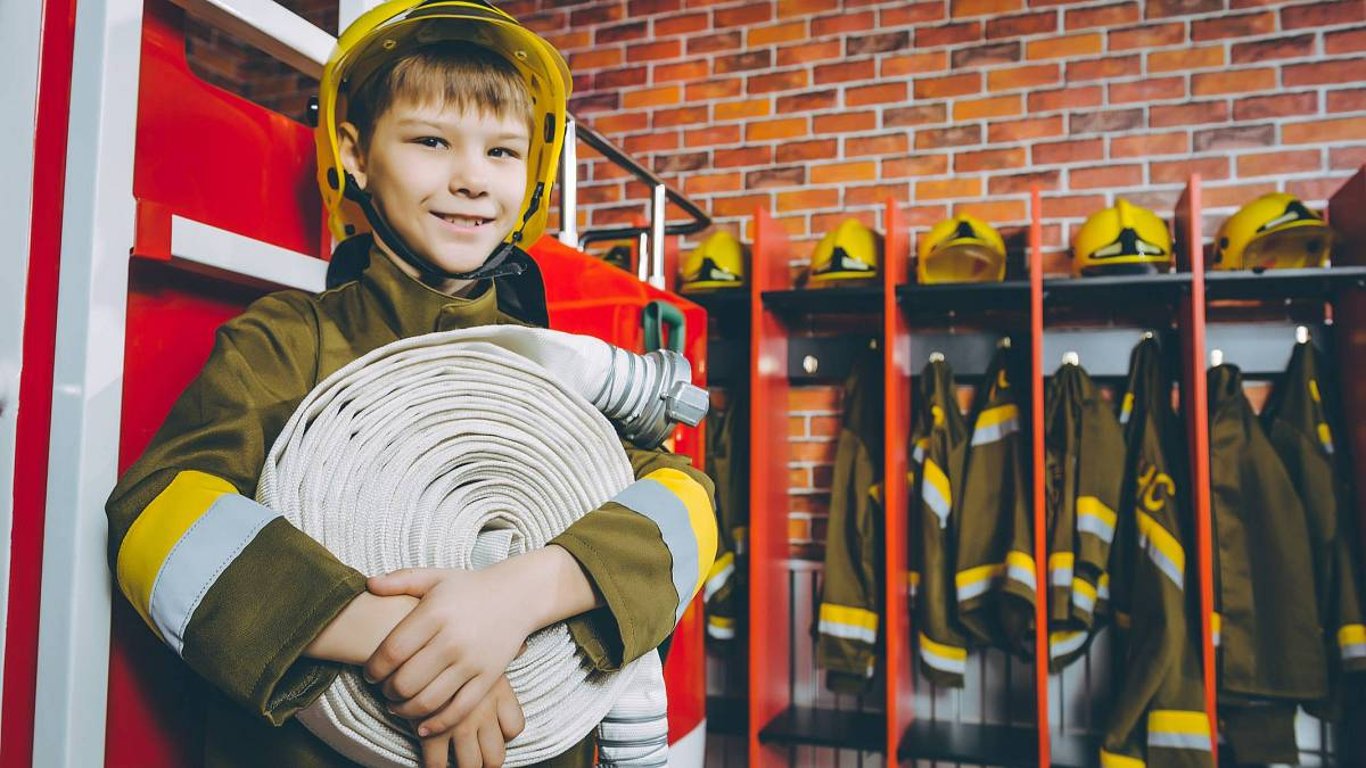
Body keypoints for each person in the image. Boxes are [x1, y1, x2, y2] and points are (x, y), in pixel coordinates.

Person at [104, 2, 718, 767]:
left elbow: (687, 503)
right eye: (431, 141)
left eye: (502, 152)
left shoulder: (556, 369)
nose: (470, 180)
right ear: (356, 156)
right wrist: (417, 646)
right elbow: (156, 517)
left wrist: (515, 598)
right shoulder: (290, 340)